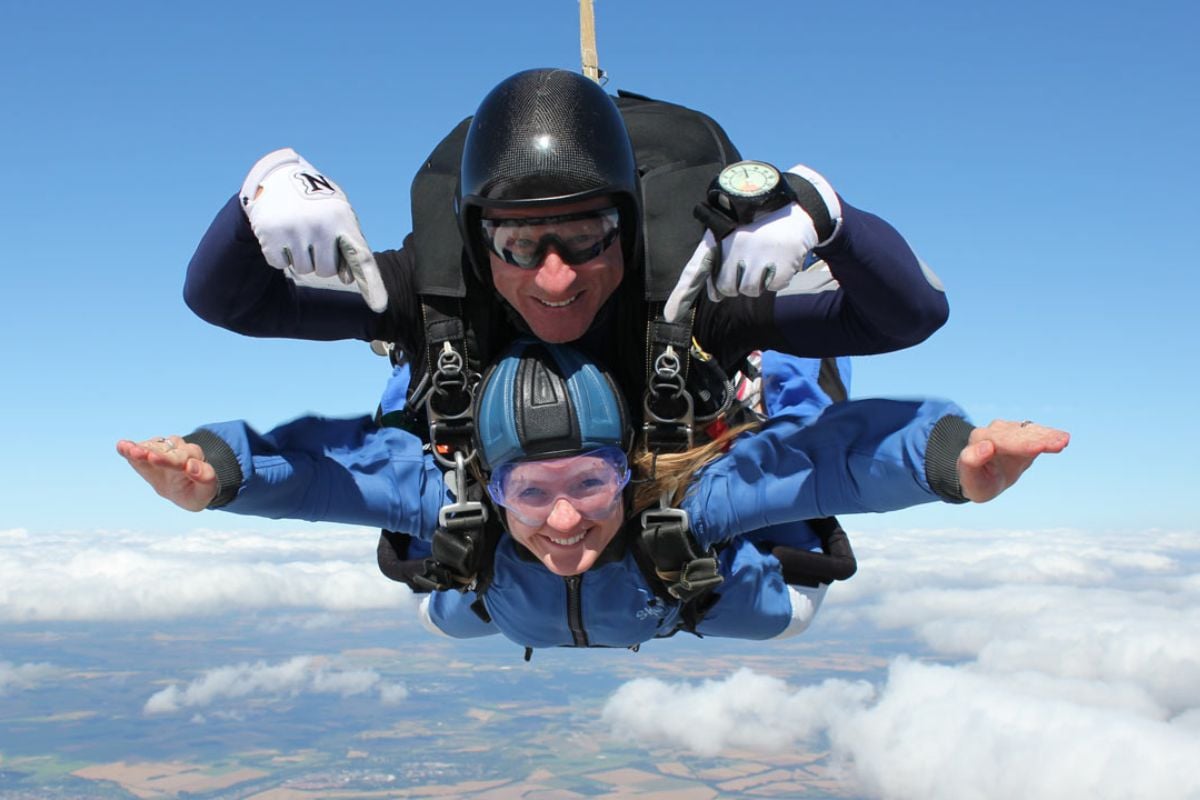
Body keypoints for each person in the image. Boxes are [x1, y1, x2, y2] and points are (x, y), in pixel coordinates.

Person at [182, 67, 951, 585]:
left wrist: (826, 217)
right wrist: (258, 197)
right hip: (518, 499)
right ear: (478, 240)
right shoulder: (432, 287)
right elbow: (230, 303)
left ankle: (775, 375)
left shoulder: (691, 291)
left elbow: (906, 316)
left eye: (586, 237)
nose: (555, 277)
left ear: (629, 226)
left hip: (676, 463)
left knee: (795, 508)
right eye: (519, 244)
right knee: (428, 490)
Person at [118, 341, 1068, 651]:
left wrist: (950, 460)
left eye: (592, 480)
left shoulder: (686, 508)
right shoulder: (462, 507)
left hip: (693, 595)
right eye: (530, 490)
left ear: (629, 470)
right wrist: (222, 474)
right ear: (492, 483)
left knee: (784, 570)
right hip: (503, 604)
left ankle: (778, 361)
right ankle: (418, 368)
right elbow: (333, 473)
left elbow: (835, 463)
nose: (566, 516)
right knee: (443, 599)